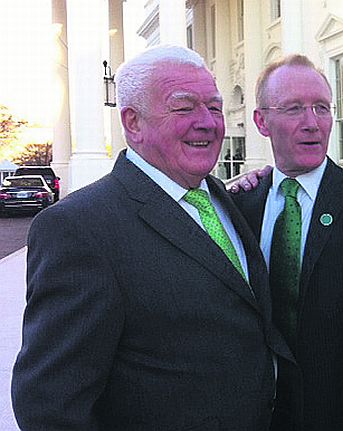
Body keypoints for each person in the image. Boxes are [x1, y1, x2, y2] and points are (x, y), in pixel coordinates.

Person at [11, 45, 292, 430]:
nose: (208, 122)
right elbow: (50, 405)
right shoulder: (80, 228)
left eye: (214, 107)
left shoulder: (226, 200)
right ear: (133, 122)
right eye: (184, 107)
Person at [232, 54, 343, 431]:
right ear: (262, 121)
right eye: (294, 109)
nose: (312, 123)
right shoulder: (239, 207)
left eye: (322, 108)